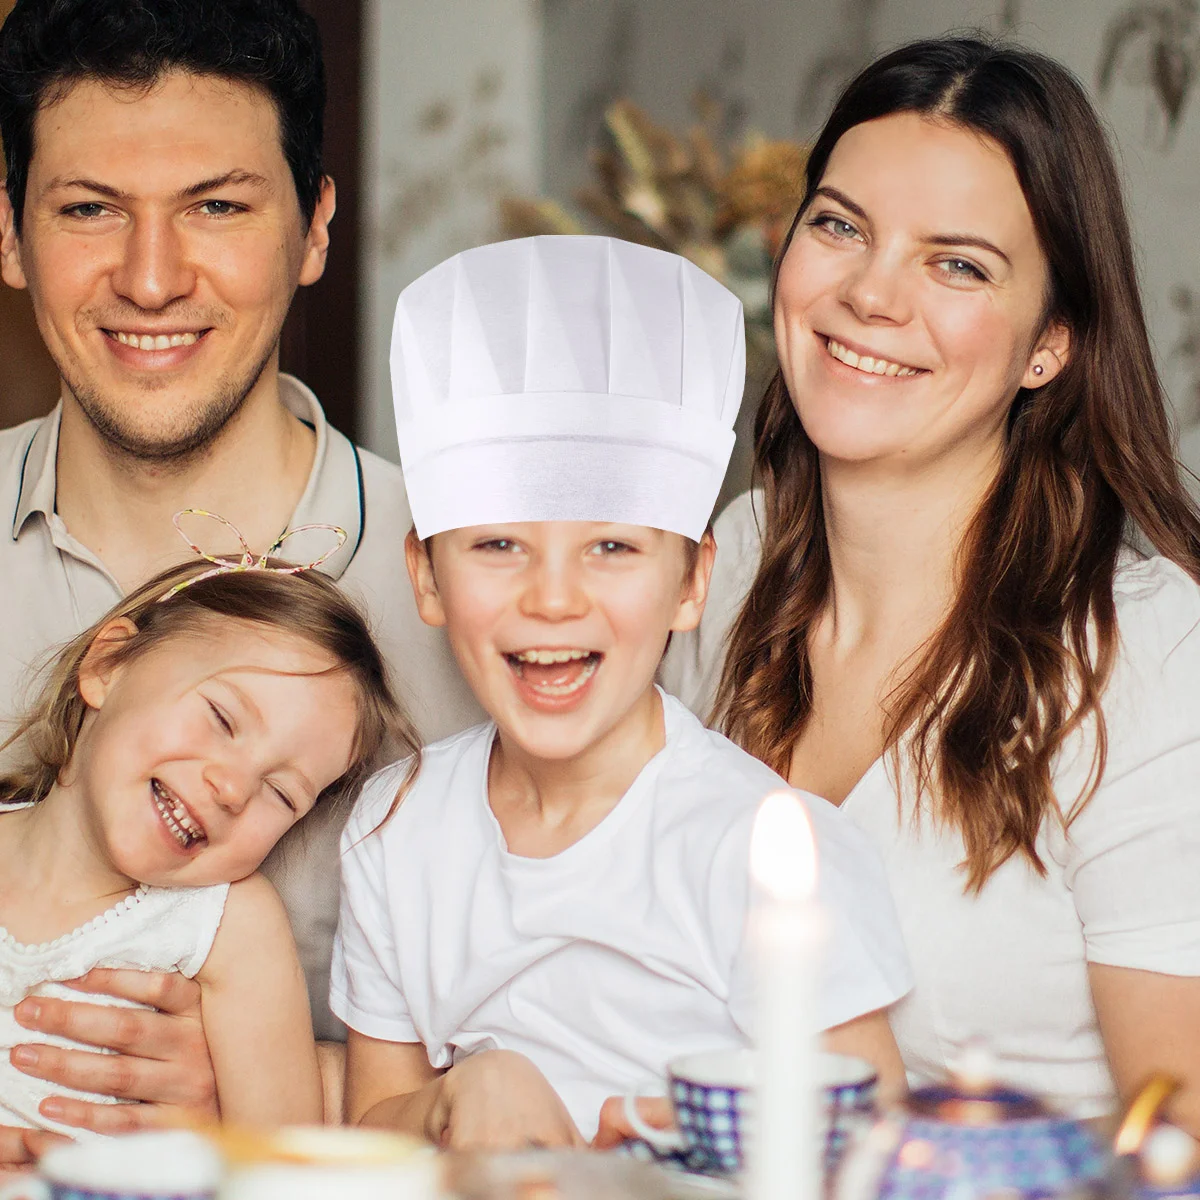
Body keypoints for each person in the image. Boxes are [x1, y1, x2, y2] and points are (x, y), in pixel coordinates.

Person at [657, 36, 1200, 1131]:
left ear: (1050, 343)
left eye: (957, 264)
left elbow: (1180, 1132)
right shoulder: (732, 561)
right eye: (840, 226)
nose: (868, 294)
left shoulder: (1152, 657)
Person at [0, 0, 480, 1159]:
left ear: (314, 228)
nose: (152, 280)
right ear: (10, 236)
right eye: (87, 210)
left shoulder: (488, 597)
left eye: (217, 206)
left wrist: (284, 1079)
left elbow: (633, 1023)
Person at [332, 234, 912, 1150]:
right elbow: (374, 1120)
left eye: (612, 546)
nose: (553, 597)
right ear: (427, 576)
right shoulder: (394, 826)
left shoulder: (758, 847)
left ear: (691, 582)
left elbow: (870, 1137)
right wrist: (472, 1092)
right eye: (496, 545)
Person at [0, 520, 416, 1141]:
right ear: (108, 664)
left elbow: (277, 1167)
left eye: (281, 793)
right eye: (222, 718)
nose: (232, 788)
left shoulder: (230, 927)